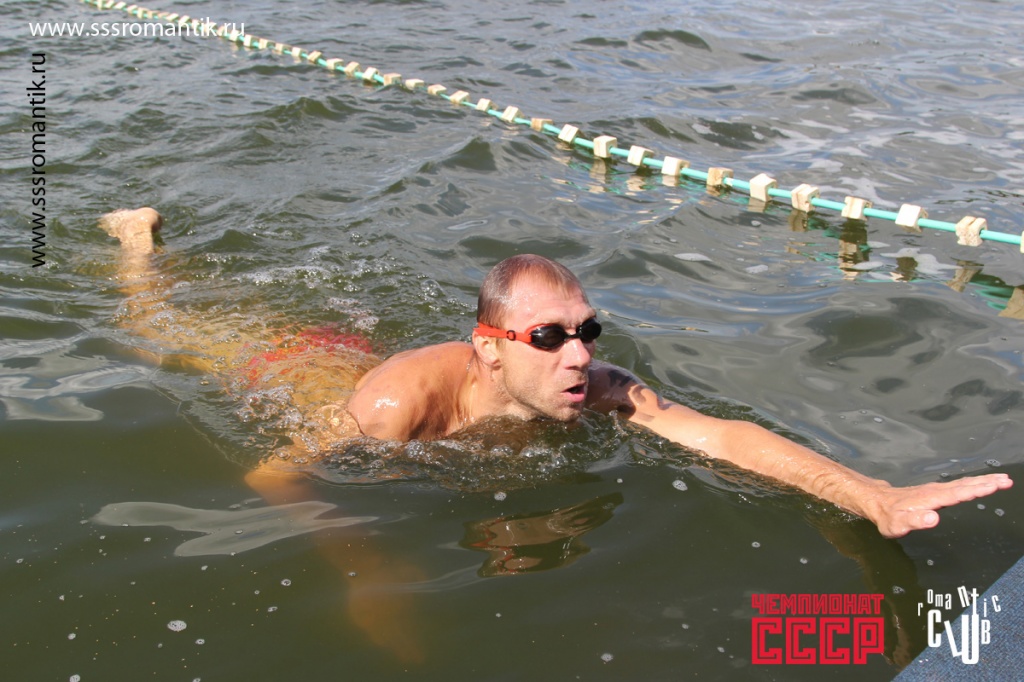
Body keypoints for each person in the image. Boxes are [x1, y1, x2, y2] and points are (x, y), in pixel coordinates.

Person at [101, 207, 1012, 665]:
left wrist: (869, 493)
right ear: (491, 349)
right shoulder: (396, 414)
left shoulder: (593, 388)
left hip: (374, 359)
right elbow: (272, 475)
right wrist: (367, 565)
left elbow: (724, 438)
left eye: (587, 332)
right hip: (295, 371)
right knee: (157, 327)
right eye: (549, 337)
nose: (579, 355)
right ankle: (137, 244)